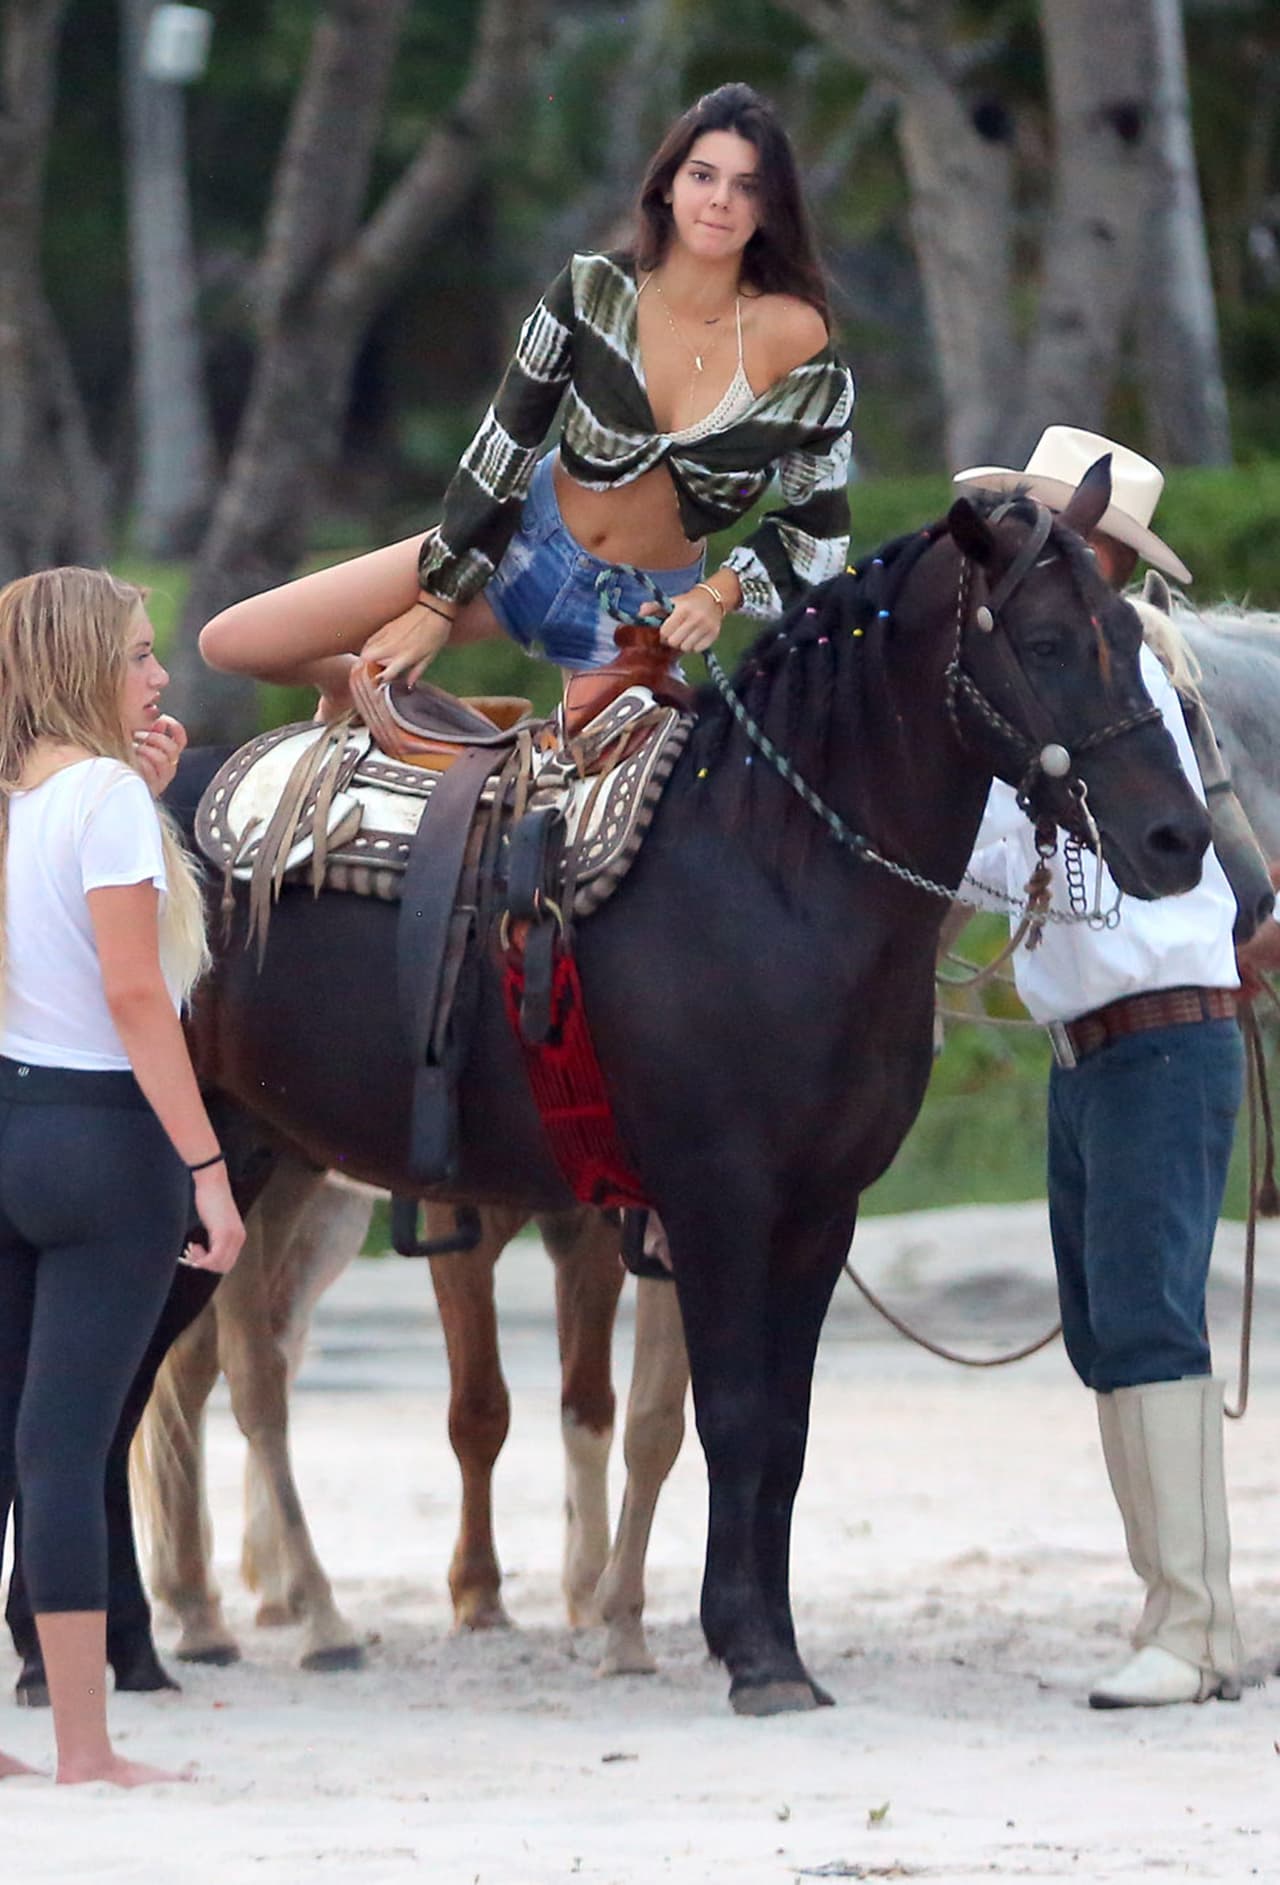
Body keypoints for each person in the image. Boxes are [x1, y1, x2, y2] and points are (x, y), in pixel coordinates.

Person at [198, 82, 855, 709]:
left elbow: (818, 530)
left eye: (747, 186)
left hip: (635, 613)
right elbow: (505, 442)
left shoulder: (800, 343)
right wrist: (437, 602)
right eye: (703, 176)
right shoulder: (592, 291)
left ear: (771, 206)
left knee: (644, 783)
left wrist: (718, 595)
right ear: (667, 185)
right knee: (234, 642)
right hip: (518, 546)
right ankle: (351, 686)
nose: (721, 201)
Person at [954, 427, 1246, 1709]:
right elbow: (992, 862)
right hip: (1094, 1047)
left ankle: (1191, 1625)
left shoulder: (1130, 682)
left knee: (1143, 1321)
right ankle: (1182, 1612)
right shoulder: (1049, 703)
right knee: (1107, 1327)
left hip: (1157, 1033)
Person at [0, 567, 244, 1787]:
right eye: (138, 655)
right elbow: (138, 993)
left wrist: (139, 800)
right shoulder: (100, 800)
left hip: (10, 1121)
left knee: (9, 1442)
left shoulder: (22, 799)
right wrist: (208, 1166)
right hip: (105, 1145)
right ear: (82, 665)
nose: (158, 675)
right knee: (66, 1449)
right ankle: (85, 1746)